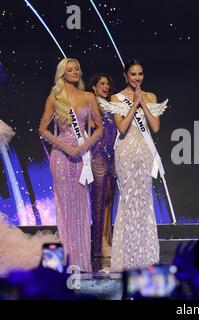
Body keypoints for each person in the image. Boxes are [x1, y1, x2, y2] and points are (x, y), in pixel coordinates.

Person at [39, 58, 104, 272]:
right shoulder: (54, 98)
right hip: (62, 159)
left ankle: (82, 263)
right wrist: (66, 148)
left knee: (81, 210)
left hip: (82, 159)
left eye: (77, 68)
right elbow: (43, 130)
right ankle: (66, 263)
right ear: (62, 74)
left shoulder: (88, 97)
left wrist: (85, 145)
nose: (75, 72)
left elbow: (99, 128)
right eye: (70, 69)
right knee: (65, 211)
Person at [107, 59, 167, 271]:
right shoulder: (116, 98)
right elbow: (122, 128)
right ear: (125, 75)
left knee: (144, 200)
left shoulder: (151, 96)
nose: (137, 78)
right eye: (133, 74)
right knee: (128, 199)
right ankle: (127, 256)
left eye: (140, 74)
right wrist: (134, 105)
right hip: (126, 151)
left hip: (144, 151)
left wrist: (143, 104)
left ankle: (146, 255)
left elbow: (156, 127)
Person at [88, 73, 116, 258]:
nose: (105, 87)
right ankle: (96, 247)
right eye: (102, 84)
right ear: (94, 87)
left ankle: (107, 241)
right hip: (98, 156)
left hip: (113, 157)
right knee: (97, 202)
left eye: (108, 84)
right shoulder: (91, 106)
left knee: (108, 201)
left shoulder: (111, 108)